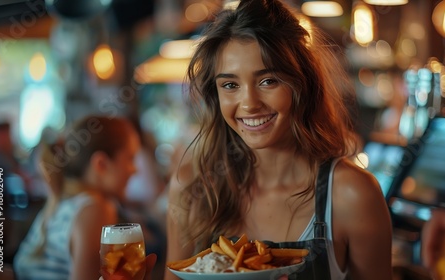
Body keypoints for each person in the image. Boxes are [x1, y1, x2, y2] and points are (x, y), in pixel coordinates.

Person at [164, 0, 393, 279]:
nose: (249, 104)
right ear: (216, 95)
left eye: (268, 81)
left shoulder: (352, 194)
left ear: (302, 84)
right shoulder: (194, 187)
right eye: (230, 85)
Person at [13, 115, 147, 280]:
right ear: (101, 164)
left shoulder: (63, 200)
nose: (135, 170)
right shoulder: (96, 208)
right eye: (130, 159)